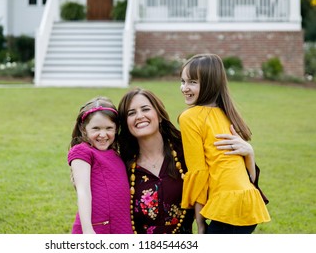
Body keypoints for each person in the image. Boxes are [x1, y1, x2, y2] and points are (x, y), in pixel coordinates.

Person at [117, 88, 255, 234]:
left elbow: (240, 183)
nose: (139, 116)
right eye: (131, 113)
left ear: (159, 114)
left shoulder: (188, 151)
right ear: (125, 123)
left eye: (145, 109)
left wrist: (249, 154)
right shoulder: (121, 165)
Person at [178, 54, 271, 234]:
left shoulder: (189, 117)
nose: (184, 88)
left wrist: (200, 223)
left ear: (210, 84)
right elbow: (248, 176)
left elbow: (199, 174)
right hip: (248, 203)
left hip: (228, 208)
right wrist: (250, 154)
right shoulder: (226, 113)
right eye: (182, 81)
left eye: (192, 82)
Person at [67, 96, 133, 234]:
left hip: (121, 224)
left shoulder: (116, 154)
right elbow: (83, 190)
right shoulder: (82, 151)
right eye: (96, 128)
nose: (102, 134)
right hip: (96, 227)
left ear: (116, 129)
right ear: (83, 128)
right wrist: (87, 230)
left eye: (109, 128)